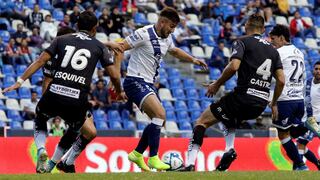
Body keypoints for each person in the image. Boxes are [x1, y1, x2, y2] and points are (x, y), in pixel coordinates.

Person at [2, 11, 126, 173]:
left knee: (40, 118)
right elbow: (115, 76)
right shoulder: (98, 46)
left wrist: (19, 82)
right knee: (75, 130)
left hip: (54, 94)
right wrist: (118, 91)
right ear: (95, 28)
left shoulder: (60, 40)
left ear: (76, 26)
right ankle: (53, 164)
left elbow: (40, 61)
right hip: (77, 99)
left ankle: (41, 150)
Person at [181, 14, 285, 171]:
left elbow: (234, 66)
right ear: (263, 30)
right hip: (260, 104)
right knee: (228, 117)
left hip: (243, 97)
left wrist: (216, 84)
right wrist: (274, 103)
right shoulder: (274, 51)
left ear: (246, 26)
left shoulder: (242, 41)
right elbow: (281, 80)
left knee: (201, 121)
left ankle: (189, 164)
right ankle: (229, 149)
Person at [115, 7, 207, 171]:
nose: (172, 30)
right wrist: (115, 78)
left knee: (157, 120)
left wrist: (193, 59)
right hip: (135, 80)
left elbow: (175, 51)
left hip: (148, 83)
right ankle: (153, 158)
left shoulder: (166, 37)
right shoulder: (143, 33)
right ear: (162, 22)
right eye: (171, 26)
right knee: (160, 114)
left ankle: (137, 153)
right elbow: (119, 47)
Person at [43, 26, 125, 173]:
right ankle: (54, 164)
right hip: (65, 98)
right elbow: (47, 82)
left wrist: (107, 43)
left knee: (87, 131)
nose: (78, 41)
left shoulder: (67, 51)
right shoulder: (55, 58)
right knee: (85, 131)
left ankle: (65, 163)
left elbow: (89, 43)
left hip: (75, 98)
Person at [269, 24, 309, 170]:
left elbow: (277, 78)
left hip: (285, 99)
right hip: (298, 99)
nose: (271, 41)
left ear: (281, 37)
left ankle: (301, 165)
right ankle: (296, 168)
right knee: (292, 134)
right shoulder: (299, 52)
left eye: (273, 38)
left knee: (283, 135)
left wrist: (273, 102)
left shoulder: (278, 53)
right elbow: (303, 77)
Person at [296, 61, 320, 170]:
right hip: (306, 120)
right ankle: (317, 164)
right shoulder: (308, 83)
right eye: (316, 69)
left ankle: (298, 170)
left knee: (300, 145)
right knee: (301, 145)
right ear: (313, 70)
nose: (318, 71)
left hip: (316, 121)